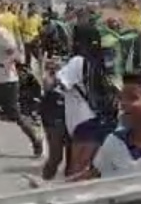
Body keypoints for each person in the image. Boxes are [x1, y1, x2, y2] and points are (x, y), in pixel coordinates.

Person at [57, 13, 119, 176]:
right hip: (103, 119)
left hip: (85, 123)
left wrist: (50, 73)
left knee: (77, 172)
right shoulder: (100, 60)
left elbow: (59, 85)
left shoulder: (77, 60)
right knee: (92, 171)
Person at [0, 23, 44, 157]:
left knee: (15, 115)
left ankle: (36, 140)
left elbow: (14, 53)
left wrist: (9, 62)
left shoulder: (1, 34)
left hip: (6, 82)